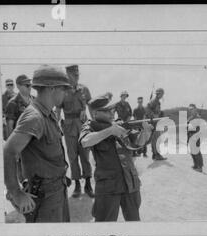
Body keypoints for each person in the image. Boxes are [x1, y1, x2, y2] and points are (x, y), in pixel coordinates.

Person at [3, 65, 72, 223]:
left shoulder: (48, 113)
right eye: (63, 88)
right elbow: (8, 151)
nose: (66, 93)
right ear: (52, 88)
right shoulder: (35, 117)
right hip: (44, 196)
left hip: (57, 190)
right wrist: (16, 193)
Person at [79, 94, 146, 222]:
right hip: (108, 187)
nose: (111, 114)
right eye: (106, 111)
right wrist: (110, 131)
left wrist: (145, 133)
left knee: (134, 222)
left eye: (112, 110)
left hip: (129, 182)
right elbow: (85, 141)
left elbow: (137, 143)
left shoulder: (119, 124)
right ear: (95, 113)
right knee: (105, 225)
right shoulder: (90, 126)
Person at [56, 64, 93, 198]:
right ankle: (77, 184)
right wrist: (55, 125)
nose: (76, 76)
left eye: (77, 73)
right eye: (73, 74)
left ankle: (88, 184)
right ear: (68, 75)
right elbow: (58, 110)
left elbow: (91, 106)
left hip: (83, 125)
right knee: (72, 156)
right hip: (69, 125)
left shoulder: (84, 89)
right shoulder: (62, 90)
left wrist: (94, 123)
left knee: (85, 154)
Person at [5, 74, 35, 182]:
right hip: (21, 143)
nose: (29, 87)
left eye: (30, 85)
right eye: (26, 85)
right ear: (18, 86)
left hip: (35, 142)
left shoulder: (35, 101)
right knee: (24, 174)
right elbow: (9, 126)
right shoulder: (12, 103)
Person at [145, 88, 166, 161]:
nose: (162, 95)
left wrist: (160, 114)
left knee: (155, 139)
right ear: (159, 94)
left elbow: (156, 111)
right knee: (156, 139)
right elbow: (147, 109)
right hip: (154, 122)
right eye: (162, 94)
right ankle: (156, 154)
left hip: (156, 122)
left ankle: (155, 154)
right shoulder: (154, 101)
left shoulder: (157, 101)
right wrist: (153, 116)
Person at [187, 104, 204, 172]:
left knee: (197, 152)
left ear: (195, 109)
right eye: (190, 109)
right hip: (190, 135)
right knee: (192, 151)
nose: (191, 111)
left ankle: (200, 167)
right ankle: (195, 165)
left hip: (196, 136)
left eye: (192, 109)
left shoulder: (198, 117)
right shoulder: (190, 117)